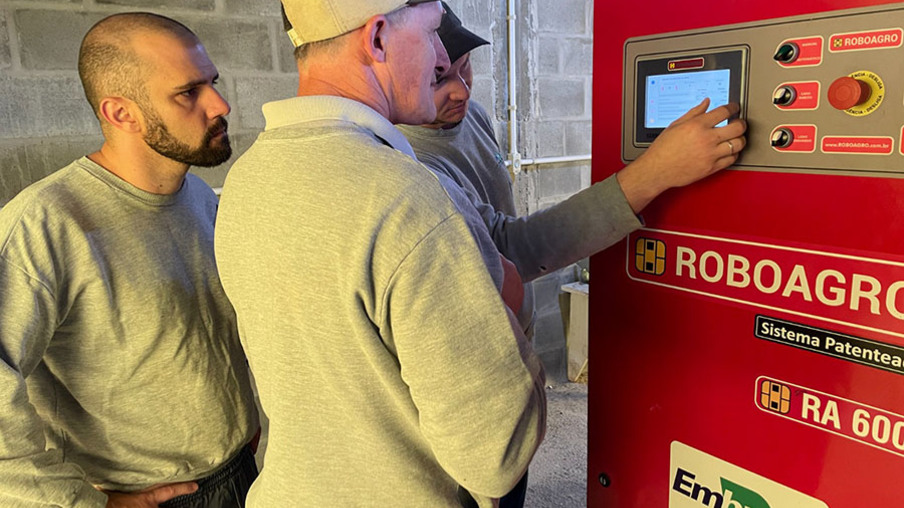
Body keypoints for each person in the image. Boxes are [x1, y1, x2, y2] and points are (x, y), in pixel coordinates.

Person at [214, 1, 547, 507]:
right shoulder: (407, 197)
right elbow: (495, 457)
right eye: (432, 33)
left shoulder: (247, 177)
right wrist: (512, 314)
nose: (441, 58)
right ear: (376, 39)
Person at [0, 12, 259, 508]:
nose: (220, 104)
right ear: (121, 113)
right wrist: (79, 503)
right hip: (145, 498)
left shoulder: (199, 199)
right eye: (189, 92)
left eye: (214, 83)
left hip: (239, 474)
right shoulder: (45, 224)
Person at [399, 4, 748, 334]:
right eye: (439, 79)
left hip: (517, 319)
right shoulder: (411, 165)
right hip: (483, 335)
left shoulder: (471, 115)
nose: (462, 92)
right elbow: (506, 249)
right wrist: (655, 171)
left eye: (465, 66)